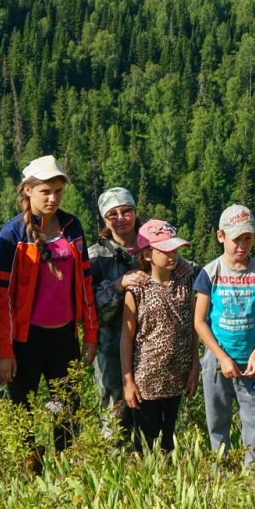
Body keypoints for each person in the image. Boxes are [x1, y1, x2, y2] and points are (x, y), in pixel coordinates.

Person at [0, 154, 98, 456]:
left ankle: (65, 478)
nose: (53, 198)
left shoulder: (71, 226)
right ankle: (29, 476)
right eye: (45, 192)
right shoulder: (11, 236)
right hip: (25, 341)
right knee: (22, 416)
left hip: (65, 337)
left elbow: (86, 283)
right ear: (28, 190)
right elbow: (3, 300)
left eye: (58, 191)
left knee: (66, 417)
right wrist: (4, 351)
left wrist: (90, 334)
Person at [193, 204, 255, 467]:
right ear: (221, 237)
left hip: (251, 361)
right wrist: (221, 357)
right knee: (217, 418)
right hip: (217, 360)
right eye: (236, 239)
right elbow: (199, 321)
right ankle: (222, 468)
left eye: (248, 238)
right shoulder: (210, 273)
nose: (242, 245)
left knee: (254, 419)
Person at [121, 219, 199, 453]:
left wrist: (195, 366)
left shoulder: (187, 283)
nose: (172, 255)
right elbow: (126, 338)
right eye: (165, 250)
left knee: (168, 440)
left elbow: (193, 327)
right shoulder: (136, 290)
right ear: (147, 254)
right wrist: (128, 383)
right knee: (144, 442)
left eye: (175, 249)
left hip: (178, 376)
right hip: (147, 380)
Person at [88, 186, 148, 438]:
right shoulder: (95, 255)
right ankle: (117, 468)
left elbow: (178, 268)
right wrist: (117, 285)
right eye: (113, 214)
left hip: (151, 346)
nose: (121, 217)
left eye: (126, 211)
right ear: (104, 219)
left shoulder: (154, 246)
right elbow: (90, 308)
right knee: (115, 414)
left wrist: (185, 269)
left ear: (135, 212)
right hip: (110, 350)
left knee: (152, 412)